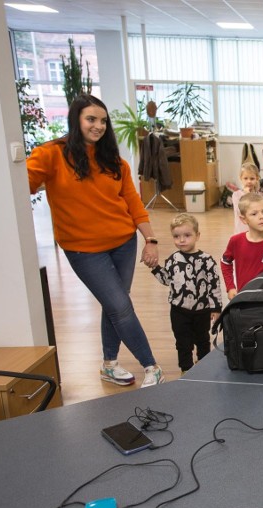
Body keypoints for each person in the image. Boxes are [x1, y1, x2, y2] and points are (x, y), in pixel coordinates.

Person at [26, 94, 164, 388]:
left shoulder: (114, 161)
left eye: (103, 121)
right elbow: (19, 183)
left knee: (113, 304)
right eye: (91, 119)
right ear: (76, 119)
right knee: (119, 305)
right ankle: (151, 365)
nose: (98, 126)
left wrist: (150, 239)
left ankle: (109, 364)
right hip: (83, 249)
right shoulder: (51, 154)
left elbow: (133, 203)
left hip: (124, 242)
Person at [151, 214, 223, 373]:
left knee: (203, 339)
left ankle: (204, 367)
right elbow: (166, 280)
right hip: (178, 310)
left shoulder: (207, 260)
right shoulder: (173, 259)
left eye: (187, 235)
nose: (181, 240)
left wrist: (216, 307)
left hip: (202, 310)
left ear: (197, 236)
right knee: (182, 340)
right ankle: (186, 368)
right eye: (176, 236)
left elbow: (214, 284)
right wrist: (155, 268)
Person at [221, 192, 263, 299]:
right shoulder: (235, 241)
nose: (262, 217)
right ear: (243, 219)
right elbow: (225, 262)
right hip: (242, 299)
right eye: (254, 214)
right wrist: (230, 287)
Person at [232, 162, 261, 234]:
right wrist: (246, 195)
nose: (249, 181)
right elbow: (239, 211)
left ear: (257, 178)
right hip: (241, 230)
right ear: (241, 178)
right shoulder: (236, 195)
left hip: (255, 230)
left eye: (252, 178)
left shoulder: (259, 195)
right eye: (245, 178)